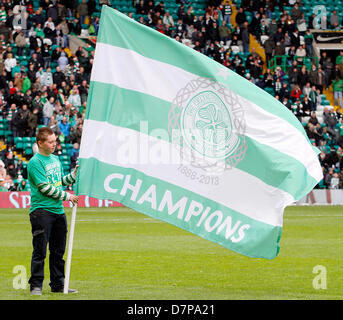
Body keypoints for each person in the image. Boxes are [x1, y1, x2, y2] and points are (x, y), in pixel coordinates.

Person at [27, 127, 79, 295]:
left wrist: (73, 175)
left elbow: (58, 183)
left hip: (58, 211)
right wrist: (68, 196)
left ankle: (58, 284)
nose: (54, 144)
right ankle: (36, 285)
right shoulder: (35, 162)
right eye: (50, 142)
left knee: (58, 251)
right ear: (40, 143)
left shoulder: (56, 160)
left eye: (55, 141)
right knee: (40, 250)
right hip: (41, 211)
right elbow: (44, 188)